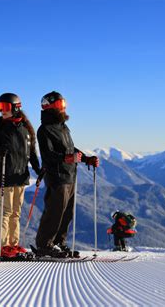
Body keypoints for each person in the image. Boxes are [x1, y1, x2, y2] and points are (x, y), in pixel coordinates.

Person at [35, 91, 99, 257]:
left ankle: (58, 243)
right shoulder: (44, 130)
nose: (62, 108)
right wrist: (67, 158)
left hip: (70, 175)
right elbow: (48, 155)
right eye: (59, 105)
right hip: (56, 177)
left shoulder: (63, 127)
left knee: (67, 213)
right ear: (49, 107)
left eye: (63, 105)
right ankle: (44, 245)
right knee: (55, 212)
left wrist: (86, 159)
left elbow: (70, 149)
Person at [0, 92, 41, 258]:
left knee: (16, 212)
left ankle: (12, 244)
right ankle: (0, 246)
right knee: (6, 211)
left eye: (5, 107)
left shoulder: (25, 130)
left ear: (16, 108)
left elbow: (31, 153)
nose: (2, 111)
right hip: (5, 176)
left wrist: (38, 170)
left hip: (21, 176)